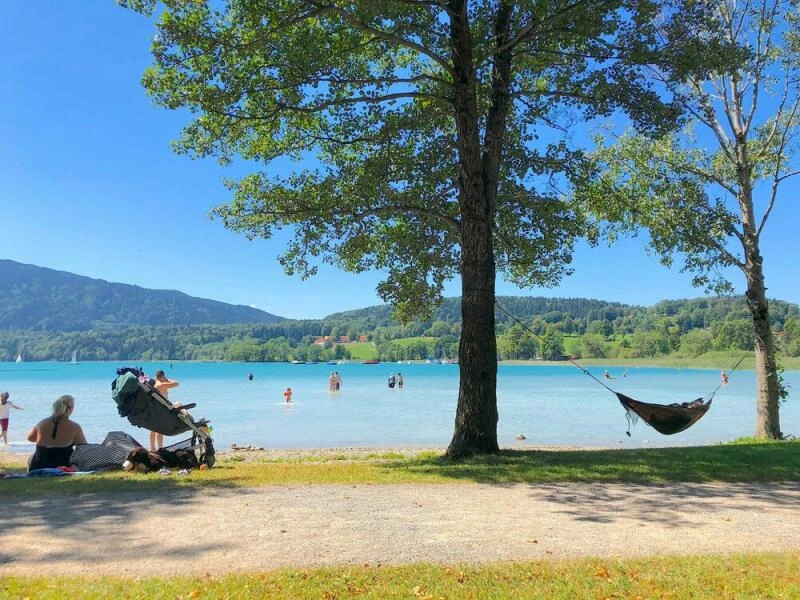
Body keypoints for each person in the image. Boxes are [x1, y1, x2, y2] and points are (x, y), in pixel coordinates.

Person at [27, 394, 86, 471]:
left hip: (39, 466)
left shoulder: (42, 423)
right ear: (71, 408)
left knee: (32, 456)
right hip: (62, 467)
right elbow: (84, 448)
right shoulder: (74, 427)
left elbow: (30, 438)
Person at [151, 369, 180, 451]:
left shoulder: (156, 383)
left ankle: (153, 448)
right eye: (164, 377)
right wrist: (167, 379)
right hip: (161, 410)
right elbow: (176, 383)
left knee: (153, 429)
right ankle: (160, 449)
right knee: (160, 430)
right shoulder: (161, 385)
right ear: (162, 376)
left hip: (155, 408)